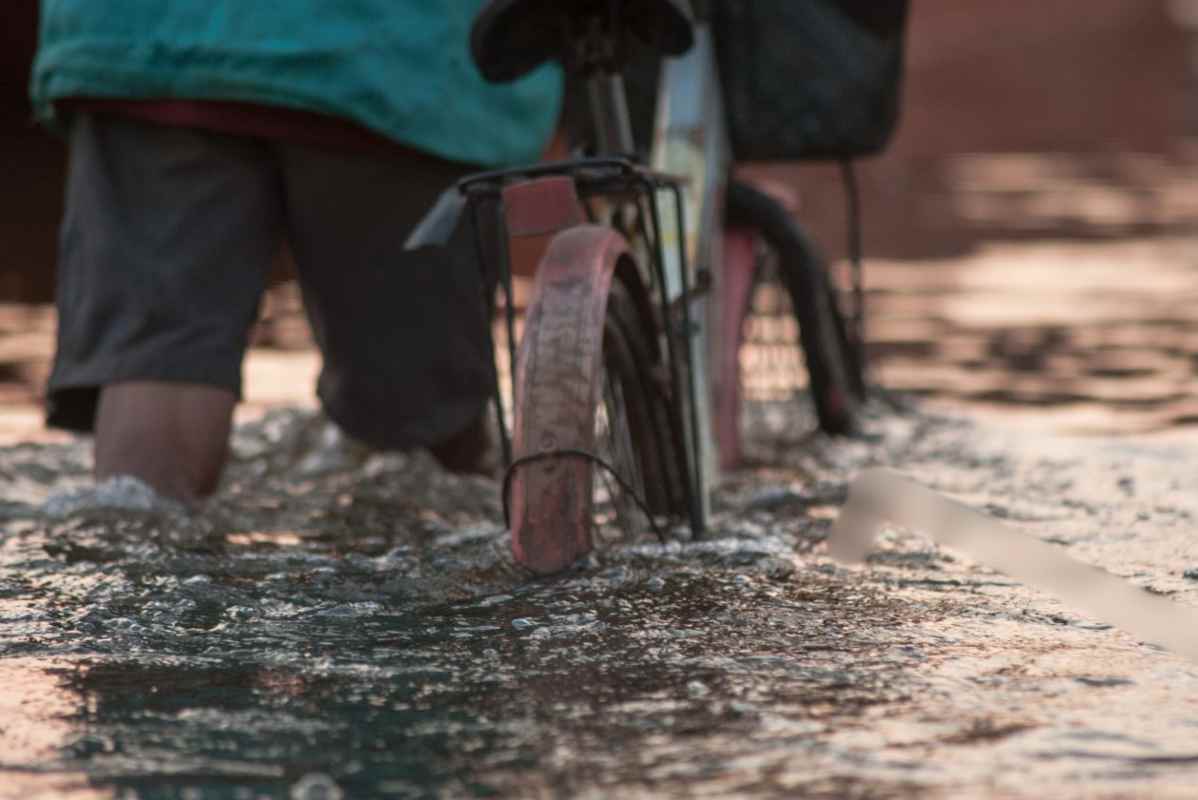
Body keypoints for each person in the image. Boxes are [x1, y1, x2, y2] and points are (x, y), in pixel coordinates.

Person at [29, 0, 562, 503]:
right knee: (420, 434)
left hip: (147, 42)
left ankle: (136, 587)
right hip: (395, 59)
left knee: (156, 369)